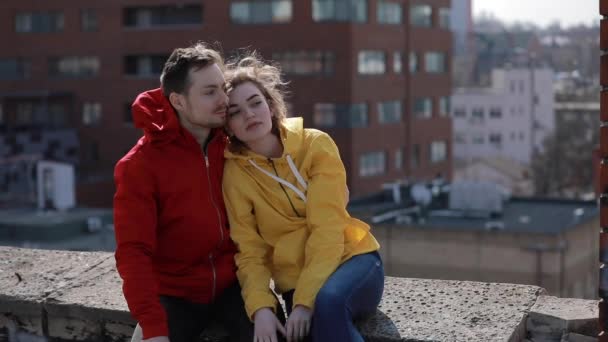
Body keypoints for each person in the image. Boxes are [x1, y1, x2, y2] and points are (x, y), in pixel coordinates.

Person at [222, 54, 385, 342]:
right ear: (227, 126)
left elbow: (328, 228)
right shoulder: (235, 175)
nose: (249, 114)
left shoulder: (315, 145)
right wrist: (261, 308)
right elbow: (249, 251)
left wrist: (304, 302)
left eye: (255, 102)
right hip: (295, 283)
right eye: (234, 111)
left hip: (351, 260)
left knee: (328, 304)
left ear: (271, 106)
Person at [113, 42, 261, 342]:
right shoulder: (140, 165)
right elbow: (133, 252)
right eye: (210, 92)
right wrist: (153, 328)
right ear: (178, 101)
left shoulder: (235, 142)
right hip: (175, 292)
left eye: (223, 87)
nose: (224, 100)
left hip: (236, 285)